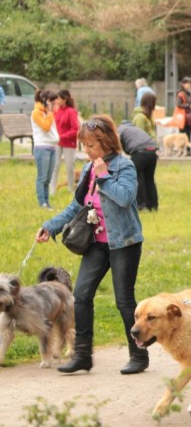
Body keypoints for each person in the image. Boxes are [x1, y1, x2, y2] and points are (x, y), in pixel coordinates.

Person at [35, 115, 147, 374]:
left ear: (106, 142)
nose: (86, 150)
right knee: (81, 296)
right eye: (84, 145)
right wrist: (50, 225)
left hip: (124, 243)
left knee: (124, 301)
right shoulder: (88, 170)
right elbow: (76, 205)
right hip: (96, 243)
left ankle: (139, 356)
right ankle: (83, 355)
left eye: (91, 145)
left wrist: (104, 177)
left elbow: (125, 198)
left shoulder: (124, 167)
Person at [118, 122, 159, 212]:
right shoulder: (136, 129)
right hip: (153, 152)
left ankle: (141, 205)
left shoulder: (120, 129)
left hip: (140, 152)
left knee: (135, 178)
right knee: (149, 179)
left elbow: (118, 147)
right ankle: (153, 205)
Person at [31, 89, 59, 210]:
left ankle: (47, 202)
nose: (55, 106)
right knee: (42, 177)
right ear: (47, 102)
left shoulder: (48, 113)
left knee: (48, 178)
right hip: (42, 147)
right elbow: (46, 127)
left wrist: (50, 112)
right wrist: (49, 112)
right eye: (53, 103)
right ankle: (42, 202)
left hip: (51, 147)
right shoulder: (36, 113)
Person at [50, 89, 80, 196]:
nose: (57, 100)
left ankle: (71, 189)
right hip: (58, 143)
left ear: (65, 99)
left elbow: (75, 128)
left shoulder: (71, 112)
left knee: (69, 166)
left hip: (69, 143)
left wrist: (62, 136)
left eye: (59, 98)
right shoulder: (57, 110)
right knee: (55, 165)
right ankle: (52, 189)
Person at [177, 76, 191, 156]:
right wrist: (188, 105)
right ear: (183, 84)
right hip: (183, 117)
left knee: (188, 133)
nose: (189, 85)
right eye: (188, 83)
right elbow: (179, 104)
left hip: (188, 116)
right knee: (183, 135)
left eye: (190, 83)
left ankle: (188, 150)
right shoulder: (181, 93)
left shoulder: (188, 93)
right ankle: (182, 150)